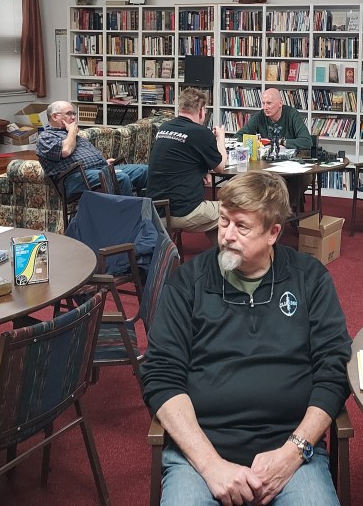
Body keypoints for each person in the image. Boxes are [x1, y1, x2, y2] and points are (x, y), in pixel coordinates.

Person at [140, 170, 351, 506]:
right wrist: (211, 465)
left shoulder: (309, 279)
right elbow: (161, 375)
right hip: (200, 452)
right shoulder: (188, 282)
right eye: (224, 221)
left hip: (291, 451)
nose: (227, 235)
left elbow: (335, 369)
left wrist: (293, 452)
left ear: (273, 233)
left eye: (242, 226)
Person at [146, 87, 227, 238]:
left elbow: (180, 161)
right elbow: (220, 167)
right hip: (183, 212)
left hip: (155, 210)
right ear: (201, 111)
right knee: (235, 212)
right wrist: (221, 138)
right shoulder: (201, 132)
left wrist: (202, 172)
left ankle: (218, 252)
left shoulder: (164, 127)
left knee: (216, 223)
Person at [36, 100, 147, 198]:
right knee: (120, 178)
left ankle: (147, 211)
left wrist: (105, 162)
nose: (73, 117)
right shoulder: (46, 137)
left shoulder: (73, 135)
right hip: (74, 179)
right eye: (69, 114)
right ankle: (128, 214)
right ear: (54, 116)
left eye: (74, 114)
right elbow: (66, 151)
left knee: (144, 171)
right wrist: (72, 132)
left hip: (98, 170)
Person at [236, 87, 313, 207]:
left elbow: (307, 141)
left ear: (280, 104)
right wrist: (257, 142)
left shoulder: (292, 114)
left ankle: (286, 209)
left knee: (304, 178)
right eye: (263, 103)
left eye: (269, 103)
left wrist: (282, 142)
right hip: (267, 163)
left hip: (291, 162)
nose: (265, 107)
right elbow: (239, 136)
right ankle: (260, 209)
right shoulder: (260, 116)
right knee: (251, 177)